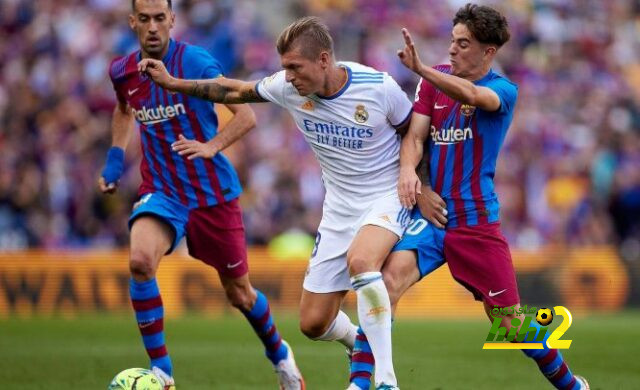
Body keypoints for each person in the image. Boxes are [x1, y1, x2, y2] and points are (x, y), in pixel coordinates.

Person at [139, 16, 415, 390]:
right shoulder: (288, 89)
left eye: (294, 67)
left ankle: (382, 381)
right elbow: (231, 91)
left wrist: (415, 179)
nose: (287, 76)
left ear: (323, 60)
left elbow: (414, 132)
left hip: (389, 198)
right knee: (313, 324)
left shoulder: (378, 87)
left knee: (365, 264)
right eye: (284, 67)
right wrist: (174, 84)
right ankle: (358, 345)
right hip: (339, 211)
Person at [348, 3, 590, 389]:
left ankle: (571, 385)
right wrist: (413, 176)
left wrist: (422, 68)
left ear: (488, 52)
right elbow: (414, 137)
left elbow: (477, 97)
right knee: (385, 281)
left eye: (463, 44)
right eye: (452, 41)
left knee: (511, 326)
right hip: (430, 218)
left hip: (475, 225)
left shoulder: (503, 90)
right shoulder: (432, 83)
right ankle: (361, 383)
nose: (452, 50)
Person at [99, 1, 304, 389]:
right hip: (162, 191)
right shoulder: (122, 71)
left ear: (173, 20)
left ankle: (279, 353)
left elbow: (246, 115)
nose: (153, 27)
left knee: (240, 294)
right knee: (141, 261)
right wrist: (113, 161)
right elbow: (124, 111)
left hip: (212, 196)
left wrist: (212, 146)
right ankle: (163, 373)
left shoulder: (194, 63)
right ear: (133, 23)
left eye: (161, 18)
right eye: (145, 19)